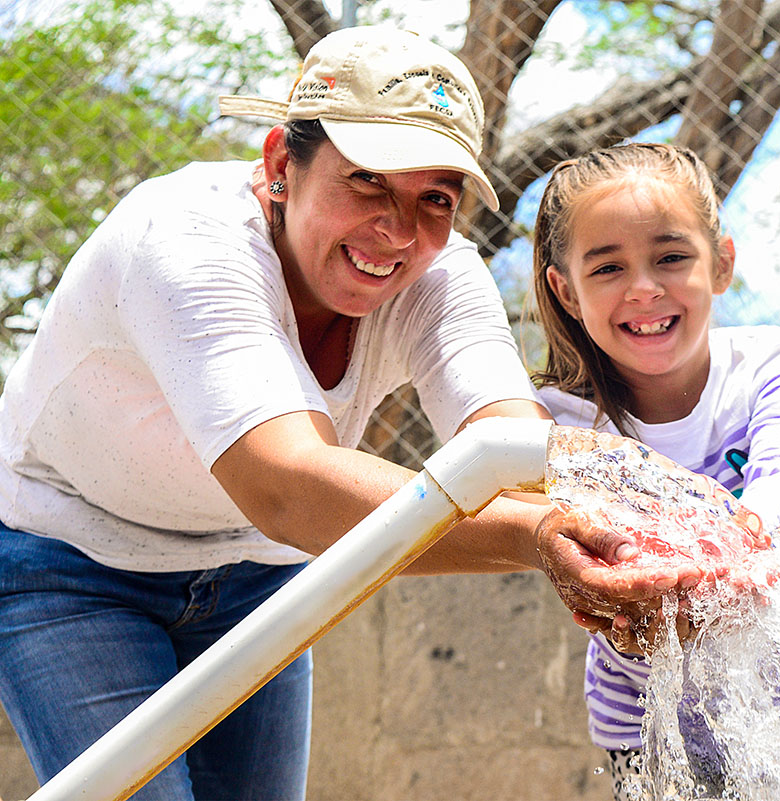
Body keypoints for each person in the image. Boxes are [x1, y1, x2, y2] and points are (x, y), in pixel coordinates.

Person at [0, 28, 693, 801]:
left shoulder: (440, 275)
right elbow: (290, 488)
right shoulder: (185, 246)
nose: (398, 231)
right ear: (278, 167)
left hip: (258, 574)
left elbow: (513, 446)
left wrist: (647, 533)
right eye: (366, 179)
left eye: (434, 198)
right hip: (72, 559)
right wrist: (536, 538)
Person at [530, 142, 780, 799]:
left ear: (721, 263)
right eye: (607, 267)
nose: (643, 287)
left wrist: (736, 547)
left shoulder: (769, 364)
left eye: (671, 256)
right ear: (566, 291)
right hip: (646, 721)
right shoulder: (557, 424)